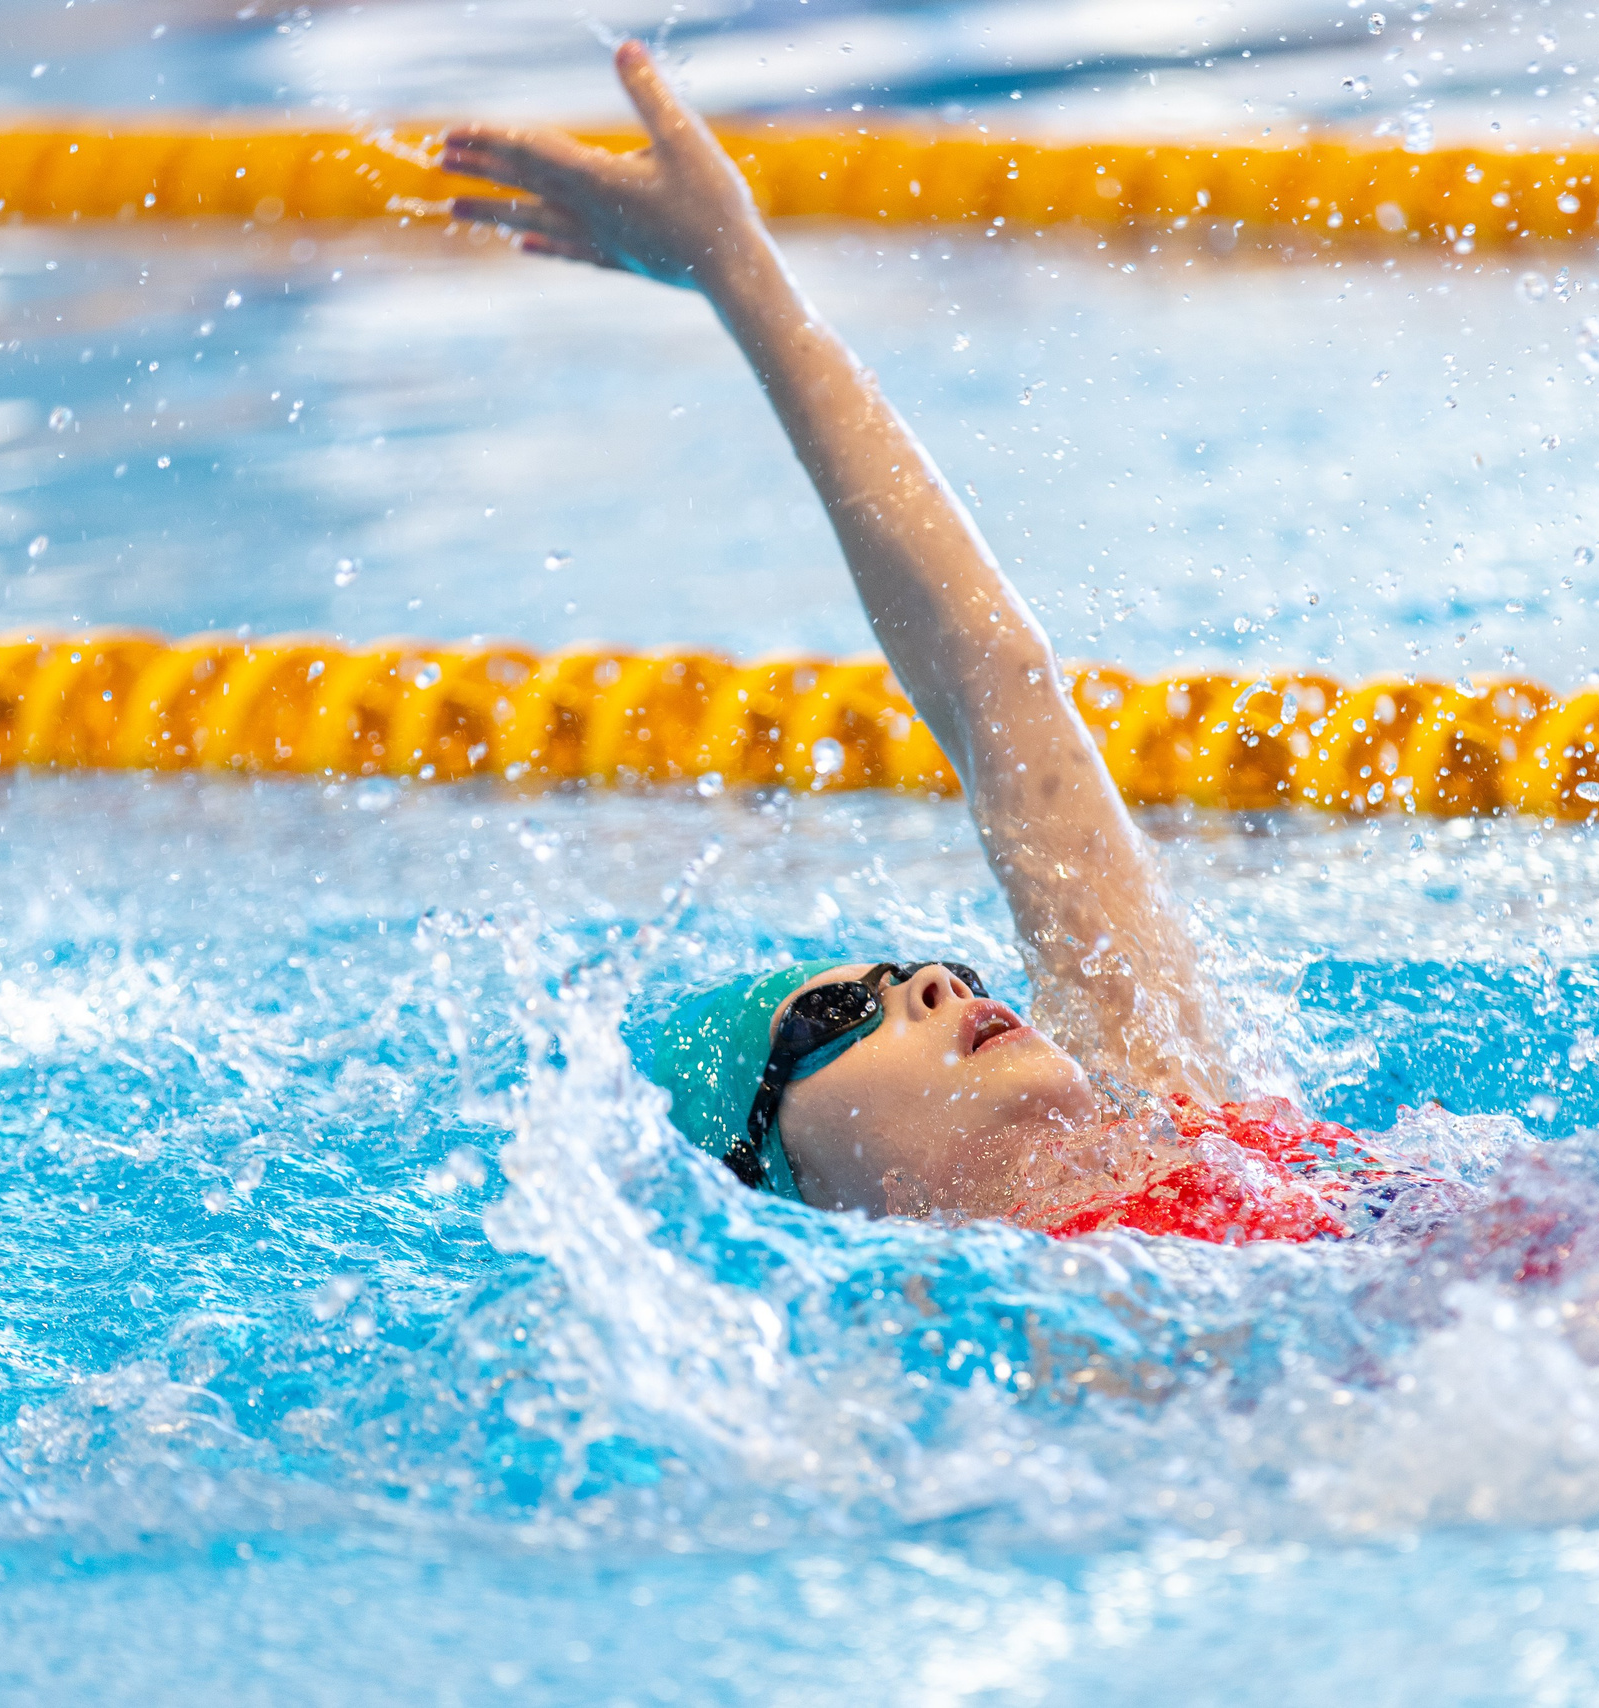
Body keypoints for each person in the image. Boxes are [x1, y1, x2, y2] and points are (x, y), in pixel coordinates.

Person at [443, 42, 1384, 1241]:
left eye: (919, 979)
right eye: (834, 1018)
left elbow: (993, 681)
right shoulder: (990, 1323)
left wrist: (740, 271)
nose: (941, 982)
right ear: (773, 1171)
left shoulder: (1180, 1104)